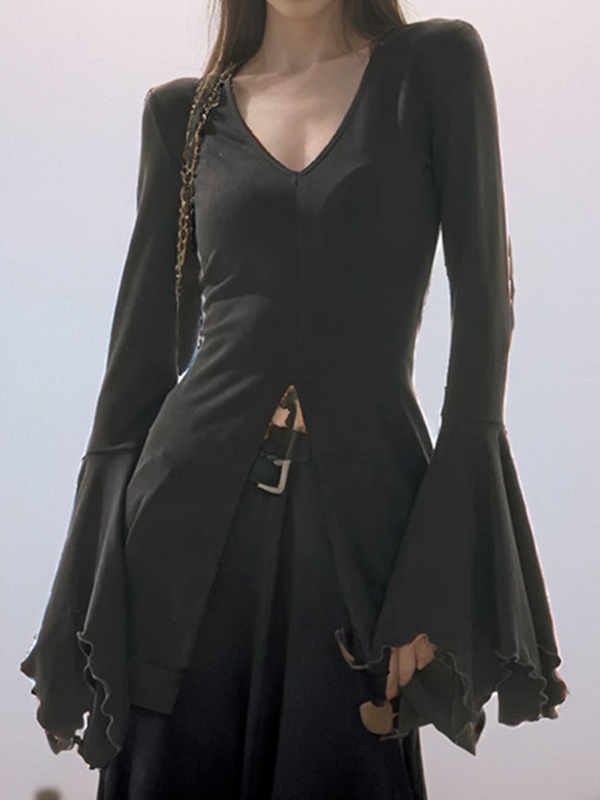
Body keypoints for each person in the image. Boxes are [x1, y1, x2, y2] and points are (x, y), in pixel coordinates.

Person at [20, 0, 569, 797]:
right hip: (177, 543)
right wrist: (86, 593)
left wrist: (439, 569)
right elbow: (135, 374)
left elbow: (485, 319)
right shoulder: (182, 116)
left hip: (361, 531)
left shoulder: (434, 69)